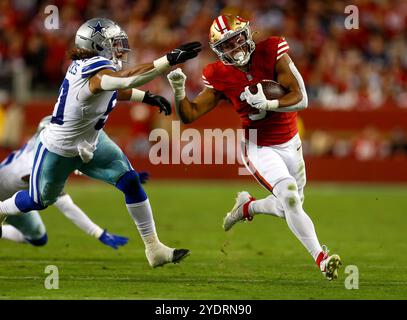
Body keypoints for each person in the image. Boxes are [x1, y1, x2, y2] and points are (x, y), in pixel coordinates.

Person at [0, 17, 202, 268]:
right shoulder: (93, 69)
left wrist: (145, 97)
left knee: (130, 181)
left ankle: (154, 248)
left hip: (92, 141)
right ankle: (1, 209)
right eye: (114, 43)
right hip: (60, 148)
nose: (120, 49)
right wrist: (167, 61)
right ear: (96, 45)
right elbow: (124, 80)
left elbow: (114, 88)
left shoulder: (94, 68)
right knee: (38, 201)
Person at [167, 15, 341, 280]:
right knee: (290, 197)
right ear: (218, 51)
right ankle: (321, 259)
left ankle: (247, 207)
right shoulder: (219, 74)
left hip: (291, 142)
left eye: (236, 40)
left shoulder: (271, 50)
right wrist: (178, 90)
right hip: (259, 147)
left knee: (288, 207)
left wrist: (269, 104)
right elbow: (189, 115)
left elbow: (301, 97)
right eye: (226, 45)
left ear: (246, 35)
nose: (235, 48)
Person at [0, 116, 137, 249]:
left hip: (11, 196)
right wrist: (98, 232)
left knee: (38, 238)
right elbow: (65, 205)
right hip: (4, 197)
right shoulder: (33, 165)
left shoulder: (36, 144)